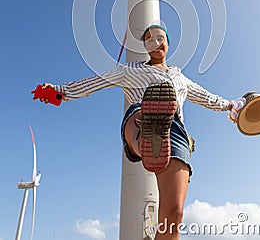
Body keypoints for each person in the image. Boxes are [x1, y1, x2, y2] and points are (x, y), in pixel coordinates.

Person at [33, 24, 241, 240]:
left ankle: (152, 140)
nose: (155, 42)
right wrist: (60, 92)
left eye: (160, 38)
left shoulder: (180, 77)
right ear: (145, 46)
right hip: (140, 115)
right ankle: (146, 139)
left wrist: (231, 106)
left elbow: (205, 96)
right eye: (149, 39)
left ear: (168, 43)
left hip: (176, 132)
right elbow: (95, 83)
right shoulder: (130, 70)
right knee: (142, 115)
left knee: (173, 215)